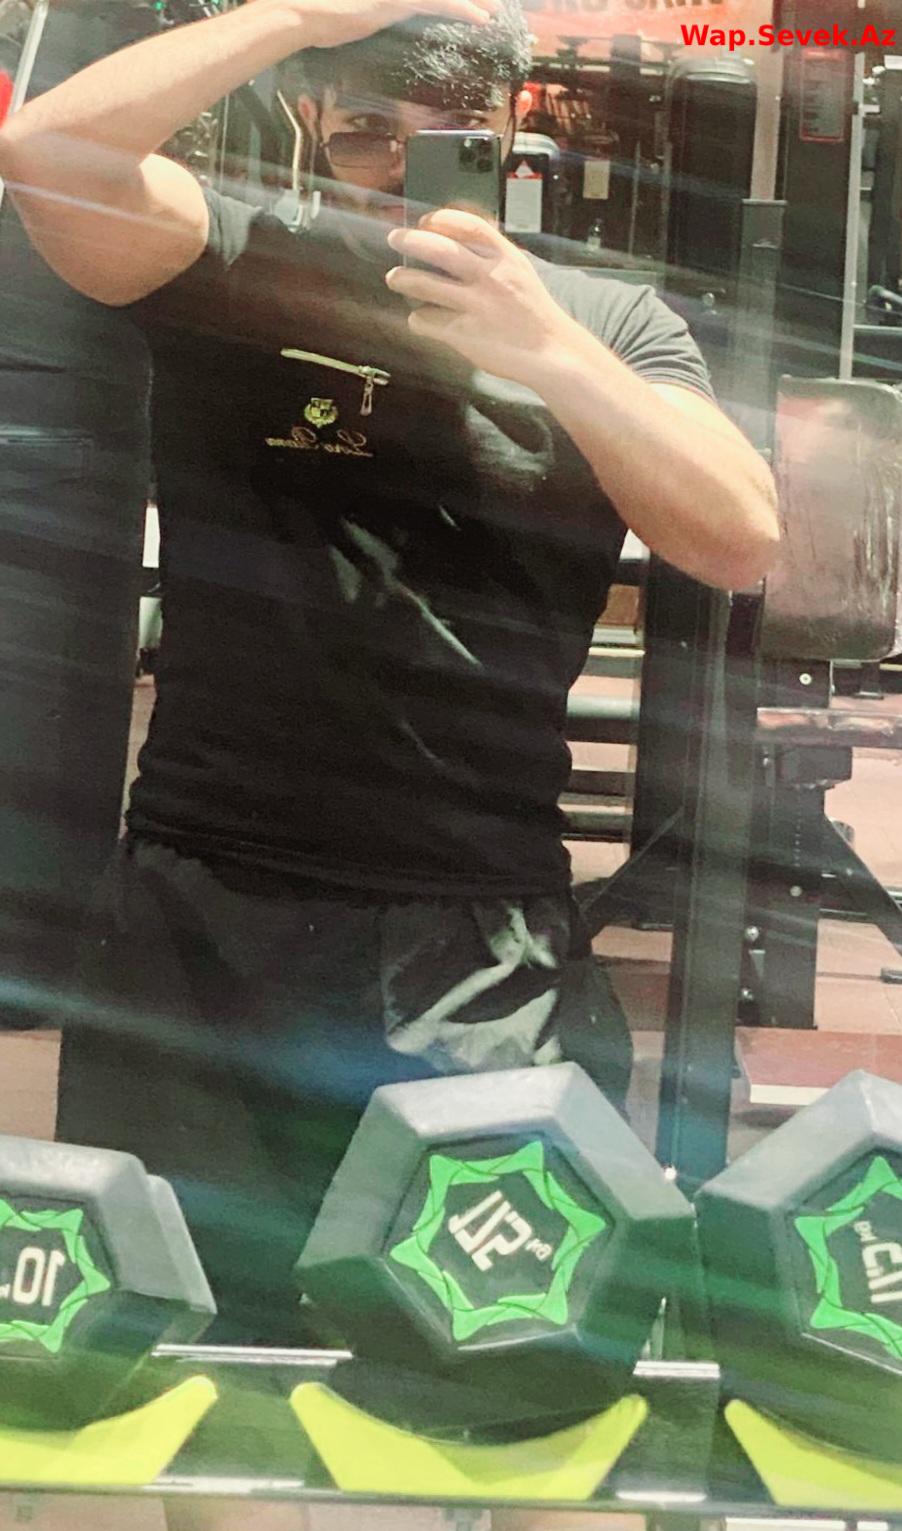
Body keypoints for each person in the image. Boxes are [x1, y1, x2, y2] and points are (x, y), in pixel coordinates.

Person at [0, 0, 779, 1344]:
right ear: (312, 121)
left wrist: (546, 351)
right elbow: (49, 151)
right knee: (185, 1346)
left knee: (501, 1351)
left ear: (512, 135)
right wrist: (300, 14)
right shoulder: (239, 257)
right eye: (367, 131)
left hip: (475, 926)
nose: (403, 170)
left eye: (449, 138)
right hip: (207, 908)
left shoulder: (603, 317)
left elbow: (737, 539)